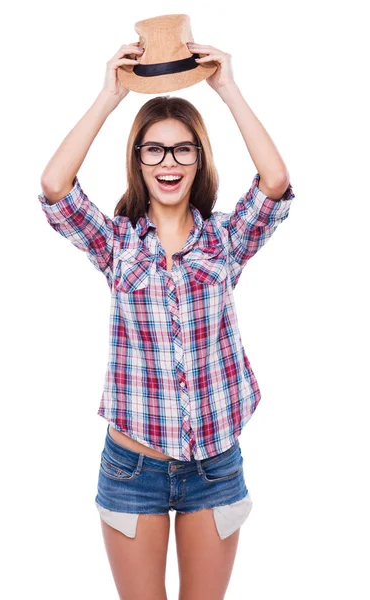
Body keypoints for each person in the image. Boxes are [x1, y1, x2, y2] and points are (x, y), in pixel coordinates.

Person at [38, 40, 295, 600]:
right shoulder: (116, 245)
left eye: (182, 150)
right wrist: (111, 95)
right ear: (137, 161)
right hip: (133, 468)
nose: (169, 163)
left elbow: (274, 182)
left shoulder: (225, 240)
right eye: (153, 151)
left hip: (214, 467)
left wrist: (225, 86)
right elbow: (55, 188)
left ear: (199, 158)